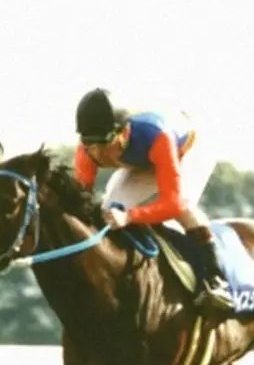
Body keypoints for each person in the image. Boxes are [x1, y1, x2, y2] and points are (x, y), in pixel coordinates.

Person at [73, 88, 234, 314]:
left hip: (187, 149)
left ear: (124, 131)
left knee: (183, 206)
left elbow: (173, 203)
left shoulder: (157, 136)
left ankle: (217, 279)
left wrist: (129, 216)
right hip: (143, 158)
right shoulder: (87, 150)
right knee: (110, 208)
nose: (98, 150)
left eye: (104, 140)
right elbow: (78, 200)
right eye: (89, 142)